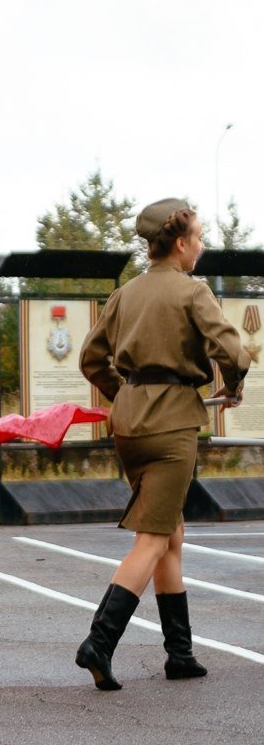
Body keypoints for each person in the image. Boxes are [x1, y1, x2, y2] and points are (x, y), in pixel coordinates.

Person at [76, 198, 250, 691]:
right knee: (151, 538)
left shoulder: (125, 294)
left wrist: (127, 394)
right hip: (172, 424)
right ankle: (99, 641)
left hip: (129, 421)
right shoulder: (192, 292)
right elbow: (234, 351)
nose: (201, 244)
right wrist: (233, 388)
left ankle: (180, 653)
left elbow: (91, 359)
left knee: (169, 533)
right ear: (179, 243)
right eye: (197, 236)